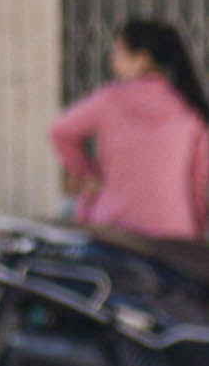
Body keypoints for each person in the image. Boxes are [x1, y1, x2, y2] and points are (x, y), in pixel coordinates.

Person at [49, 17, 209, 242]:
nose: (113, 62)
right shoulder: (190, 111)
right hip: (174, 234)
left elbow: (60, 132)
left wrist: (87, 173)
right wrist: (195, 230)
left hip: (113, 229)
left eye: (118, 53)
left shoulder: (109, 101)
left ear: (141, 59)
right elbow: (199, 182)